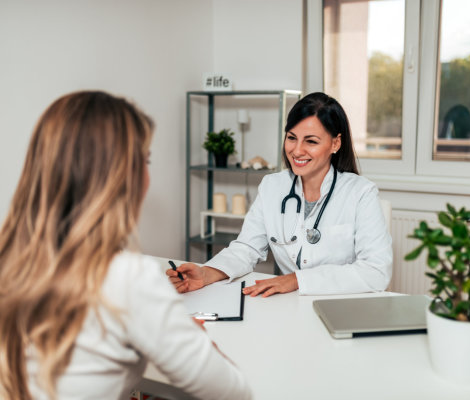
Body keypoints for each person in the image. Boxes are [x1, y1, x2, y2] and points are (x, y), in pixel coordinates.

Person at [0, 91, 251, 400]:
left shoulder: (10, 257)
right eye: (145, 160)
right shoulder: (127, 277)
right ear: (119, 175)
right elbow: (233, 393)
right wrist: (194, 337)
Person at [168, 92, 392, 297]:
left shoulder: (361, 193)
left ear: (335, 143)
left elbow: (376, 271)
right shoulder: (272, 186)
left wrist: (297, 280)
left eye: (311, 141)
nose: (297, 150)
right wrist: (207, 273)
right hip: (291, 306)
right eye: (292, 137)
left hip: (342, 307)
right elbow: (247, 248)